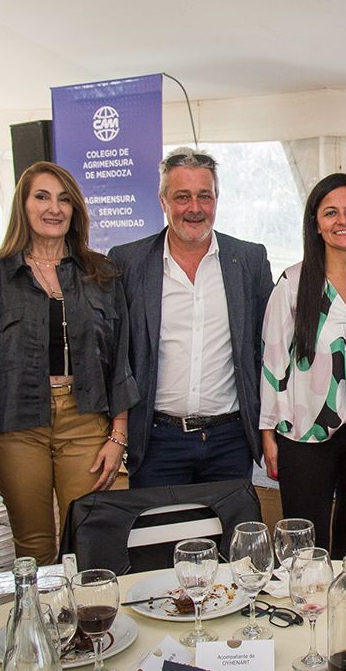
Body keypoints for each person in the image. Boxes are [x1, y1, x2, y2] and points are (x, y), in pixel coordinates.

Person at [0, 161, 139, 565]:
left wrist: (118, 434)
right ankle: (46, 625)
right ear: (24, 205)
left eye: (64, 199)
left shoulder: (100, 272)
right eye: (42, 196)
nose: (54, 208)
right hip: (17, 426)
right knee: (33, 550)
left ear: (75, 210)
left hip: (86, 421)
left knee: (94, 540)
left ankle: (93, 627)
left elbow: (121, 357)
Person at [109, 148, 272, 487]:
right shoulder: (128, 262)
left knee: (226, 537)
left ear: (217, 199)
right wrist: (118, 432)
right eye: (182, 197)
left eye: (204, 196)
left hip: (230, 440)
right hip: (156, 443)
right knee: (160, 538)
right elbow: (118, 356)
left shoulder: (249, 260)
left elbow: (267, 350)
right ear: (162, 200)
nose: (195, 208)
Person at [259, 173, 346, 558]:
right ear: (315, 222)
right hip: (304, 430)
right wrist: (268, 431)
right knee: (303, 546)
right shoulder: (293, 283)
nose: (342, 220)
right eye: (330, 212)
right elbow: (273, 360)